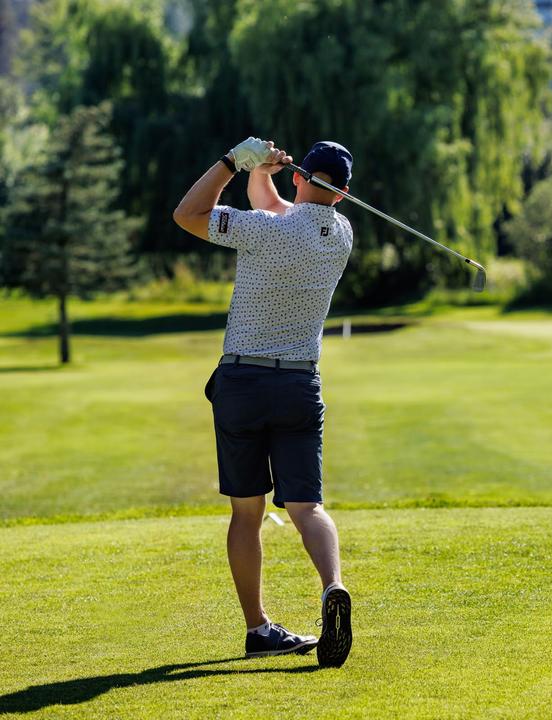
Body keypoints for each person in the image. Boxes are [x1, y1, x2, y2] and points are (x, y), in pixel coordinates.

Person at [173, 137, 354, 667]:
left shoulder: (264, 231)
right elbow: (275, 208)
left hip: (243, 385)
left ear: (301, 176)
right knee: (307, 507)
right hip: (300, 385)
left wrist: (234, 162)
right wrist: (264, 173)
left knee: (247, 513)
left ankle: (257, 628)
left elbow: (188, 213)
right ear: (342, 194)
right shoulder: (340, 233)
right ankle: (332, 586)